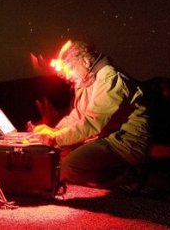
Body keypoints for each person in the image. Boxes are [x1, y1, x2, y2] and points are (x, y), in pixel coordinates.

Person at [28, 40, 150, 190]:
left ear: (85, 61)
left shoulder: (110, 79)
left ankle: (130, 176)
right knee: (58, 157)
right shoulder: (86, 79)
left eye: (69, 68)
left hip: (124, 143)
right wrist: (54, 130)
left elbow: (93, 122)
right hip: (105, 137)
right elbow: (78, 115)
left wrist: (56, 138)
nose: (66, 75)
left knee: (68, 167)